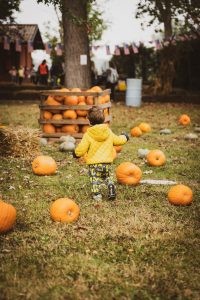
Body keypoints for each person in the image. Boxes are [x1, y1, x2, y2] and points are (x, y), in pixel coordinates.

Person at [73, 106, 129, 201]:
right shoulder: (108, 131)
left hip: (94, 164)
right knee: (107, 176)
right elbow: (118, 141)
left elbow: (82, 148)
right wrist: (125, 137)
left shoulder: (88, 134)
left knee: (94, 179)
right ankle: (111, 188)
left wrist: (76, 153)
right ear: (103, 120)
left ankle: (97, 195)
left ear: (89, 121)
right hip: (107, 162)